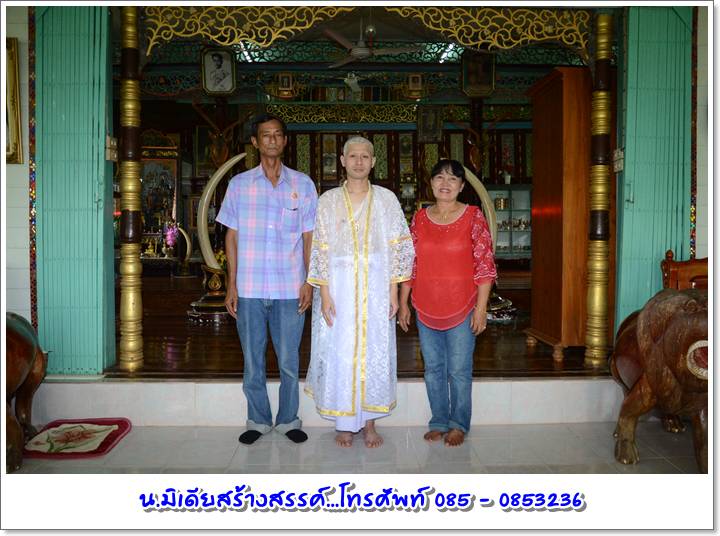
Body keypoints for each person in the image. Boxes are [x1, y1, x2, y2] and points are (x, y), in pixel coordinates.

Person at [305, 136, 414, 448]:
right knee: (340, 349)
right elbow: (320, 248)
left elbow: (398, 247)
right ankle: (344, 422)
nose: (358, 161)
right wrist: (325, 294)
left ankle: (369, 423)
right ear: (342, 161)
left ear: (373, 162)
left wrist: (393, 292)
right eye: (352, 156)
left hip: (377, 287)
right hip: (338, 287)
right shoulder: (328, 200)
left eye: (365, 156)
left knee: (373, 350)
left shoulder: (386, 199)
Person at [216, 114, 318, 445]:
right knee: (252, 360)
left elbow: (309, 237)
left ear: (285, 141)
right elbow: (231, 236)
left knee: (289, 361)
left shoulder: (303, 184)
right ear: (255, 142)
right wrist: (231, 284)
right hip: (249, 288)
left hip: (290, 288)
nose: (272, 140)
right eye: (265, 135)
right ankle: (257, 420)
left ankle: (289, 420)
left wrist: (309, 281)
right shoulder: (239, 185)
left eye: (277, 135)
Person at [398, 159, 496, 447]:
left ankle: (458, 423)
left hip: (462, 306)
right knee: (433, 369)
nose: (445, 183)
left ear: (462, 186)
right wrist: (404, 303)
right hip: (425, 305)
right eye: (439, 177)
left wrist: (481, 308)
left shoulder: (473, 216)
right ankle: (439, 420)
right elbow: (410, 264)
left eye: (452, 179)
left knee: (459, 370)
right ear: (431, 183)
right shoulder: (420, 218)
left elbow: (485, 265)